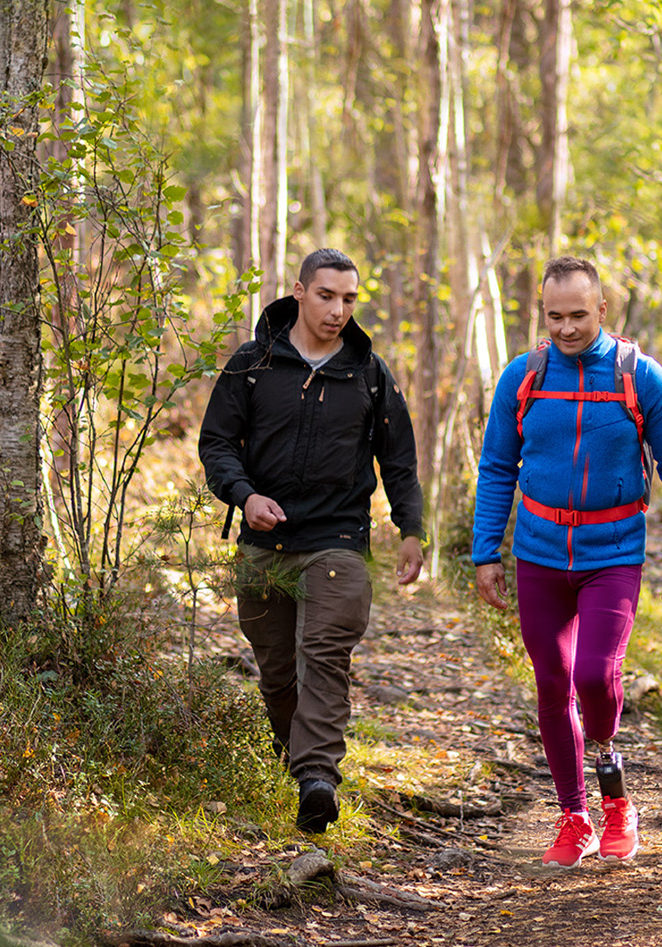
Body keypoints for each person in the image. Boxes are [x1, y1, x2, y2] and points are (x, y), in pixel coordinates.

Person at [472, 256, 662, 867]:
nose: (567, 328)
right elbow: (497, 467)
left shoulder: (640, 377)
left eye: (578, 314)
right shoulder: (524, 377)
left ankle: (615, 795)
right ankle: (574, 816)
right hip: (539, 553)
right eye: (555, 317)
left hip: (613, 553)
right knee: (553, 682)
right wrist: (485, 552)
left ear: (602, 309)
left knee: (595, 678)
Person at [199, 248, 425, 834]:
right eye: (326, 296)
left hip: (338, 539)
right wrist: (245, 495)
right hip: (263, 543)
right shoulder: (252, 363)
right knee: (277, 671)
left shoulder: (368, 374)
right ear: (299, 292)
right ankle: (295, 759)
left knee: (324, 656)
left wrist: (411, 530)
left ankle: (318, 778)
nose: (337, 310)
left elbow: (399, 459)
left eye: (348, 299)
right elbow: (217, 443)